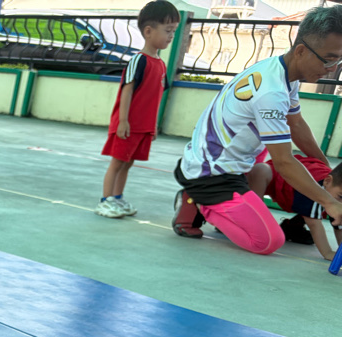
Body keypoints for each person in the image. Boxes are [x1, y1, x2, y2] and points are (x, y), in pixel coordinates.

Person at [173, 5, 342, 254]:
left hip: (233, 165)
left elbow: (296, 124)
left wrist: (326, 169)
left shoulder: (282, 72)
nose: (333, 67)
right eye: (329, 59)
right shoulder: (271, 92)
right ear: (301, 51)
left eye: (338, 60)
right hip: (212, 175)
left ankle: (222, 204)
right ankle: (197, 200)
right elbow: (284, 162)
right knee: (268, 241)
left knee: (263, 163)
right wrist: (329, 201)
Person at [95, 0, 179, 217]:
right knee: (117, 163)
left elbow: (155, 97)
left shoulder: (161, 64)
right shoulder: (138, 61)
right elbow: (127, 91)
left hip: (143, 127)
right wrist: (123, 121)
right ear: (148, 31)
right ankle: (105, 201)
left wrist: (153, 125)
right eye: (168, 30)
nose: (171, 36)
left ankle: (117, 197)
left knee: (128, 163)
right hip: (128, 125)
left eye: (174, 31)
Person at [255, 154, 342, 260]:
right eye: (341, 196)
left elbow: (339, 225)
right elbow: (314, 224)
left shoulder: (333, 189)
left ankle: (292, 227)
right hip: (276, 179)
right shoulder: (317, 189)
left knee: (316, 210)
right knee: (260, 171)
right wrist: (328, 253)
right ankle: (253, 221)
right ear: (327, 181)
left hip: (295, 195)